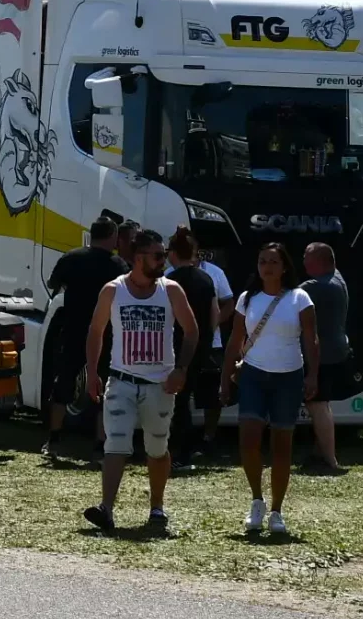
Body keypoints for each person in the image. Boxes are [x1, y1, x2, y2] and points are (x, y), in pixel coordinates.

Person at [82, 228, 199, 536]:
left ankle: (157, 508)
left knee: (157, 448)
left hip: (159, 384)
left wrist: (181, 368)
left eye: (164, 255)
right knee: (115, 444)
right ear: (137, 258)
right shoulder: (113, 290)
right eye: (158, 255)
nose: (164, 261)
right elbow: (96, 331)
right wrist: (92, 373)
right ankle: (106, 508)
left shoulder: (171, 290)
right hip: (121, 380)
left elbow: (192, 330)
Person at [221, 241, 318, 537]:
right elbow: (235, 340)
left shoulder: (299, 298)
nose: (267, 267)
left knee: (281, 445)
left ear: (284, 266)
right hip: (253, 374)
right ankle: (256, 501)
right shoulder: (248, 299)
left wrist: (313, 375)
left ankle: (277, 509)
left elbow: (311, 339)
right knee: (249, 440)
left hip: (288, 377)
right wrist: (225, 379)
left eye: (273, 262)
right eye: (263, 261)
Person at [42, 219, 124, 459]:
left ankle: (54, 439)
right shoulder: (118, 265)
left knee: (63, 383)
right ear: (111, 236)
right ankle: (100, 444)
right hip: (106, 334)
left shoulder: (71, 257)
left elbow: (52, 284)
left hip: (74, 330)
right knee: (105, 387)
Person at [162, 229, 229, 466]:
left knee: (178, 401)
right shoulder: (206, 278)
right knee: (201, 397)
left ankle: (181, 449)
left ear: (173, 253)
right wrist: (209, 340)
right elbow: (215, 314)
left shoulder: (169, 281)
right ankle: (199, 443)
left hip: (176, 346)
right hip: (204, 345)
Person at [299, 241, 352, 476]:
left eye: (306, 257)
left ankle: (330, 459)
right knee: (322, 404)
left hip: (323, 354)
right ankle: (320, 452)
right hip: (335, 351)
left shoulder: (317, 286)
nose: (303, 261)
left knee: (317, 404)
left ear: (320, 261)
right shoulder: (337, 279)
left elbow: (287, 295)